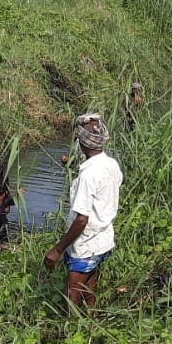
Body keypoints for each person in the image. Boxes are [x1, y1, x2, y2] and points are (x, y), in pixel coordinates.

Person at [44, 112, 123, 312]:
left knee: (72, 296)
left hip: (86, 245)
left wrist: (57, 250)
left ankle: (70, 335)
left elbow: (81, 220)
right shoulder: (111, 164)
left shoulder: (88, 175)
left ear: (82, 142)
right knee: (89, 289)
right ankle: (91, 325)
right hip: (103, 239)